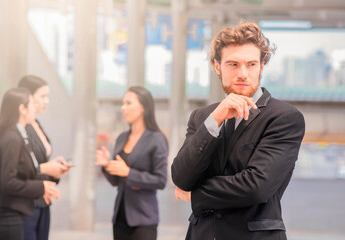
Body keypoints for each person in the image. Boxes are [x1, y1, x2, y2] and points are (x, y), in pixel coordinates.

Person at [171, 22, 305, 240]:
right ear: (217, 66)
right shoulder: (202, 117)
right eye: (233, 64)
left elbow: (256, 186)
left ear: (262, 66)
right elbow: (181, 176)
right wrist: (215, 119)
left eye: (251, 64)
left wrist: (196, 195)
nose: (243, 74)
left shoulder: (284, 118)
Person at [0, 88, 60, 240]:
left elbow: (25, 172)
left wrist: (45, 182)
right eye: (32, 104)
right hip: (9, 215)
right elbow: (9, 182)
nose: (35, 109)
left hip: (16, 212)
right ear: (22, 109)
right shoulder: (12, 138)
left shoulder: (19, 135)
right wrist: (41, 187)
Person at [96, 86, 168, 240]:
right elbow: (116, 181)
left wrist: (128, 172)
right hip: (120, 218)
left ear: (143, 107)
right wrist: (106, 165)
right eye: (123, 103)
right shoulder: (122, 138)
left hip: (143, 219)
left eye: (128, 103)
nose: (124, 108)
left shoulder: (157, 139)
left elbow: (160, 181)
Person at [18, 75, 71, 240]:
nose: (46, 101)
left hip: (43, 200)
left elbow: (39, 162)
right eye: (42, 96)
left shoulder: (37, 123)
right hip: (27, 201)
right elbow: (21, 167)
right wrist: (47, 169)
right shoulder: (20, 128)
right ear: (28, 97)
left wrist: (55, 171)